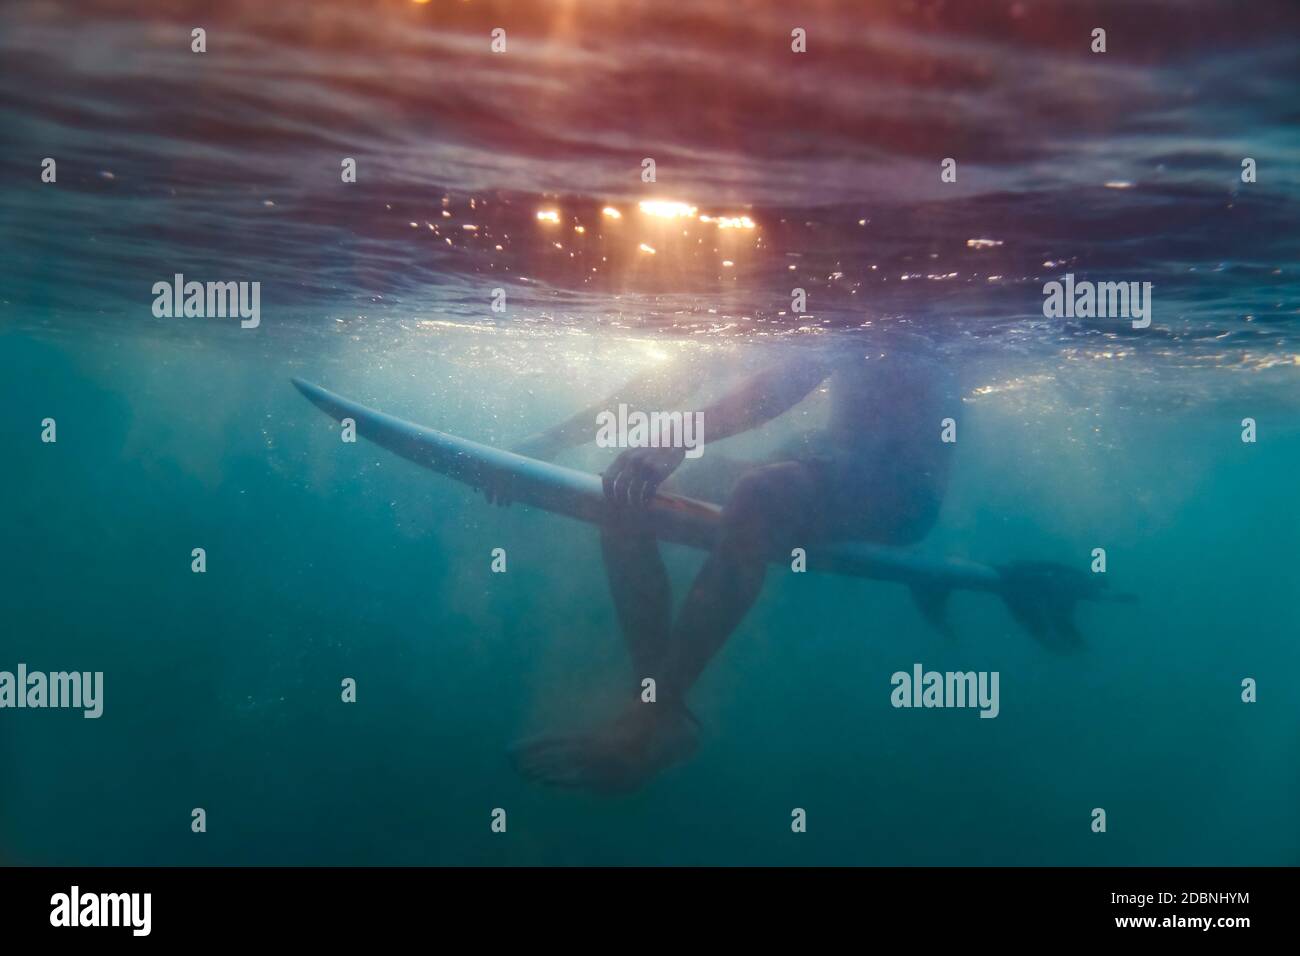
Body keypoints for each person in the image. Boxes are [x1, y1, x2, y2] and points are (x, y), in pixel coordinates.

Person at [491, 338, 960, 792]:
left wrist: (675, 437)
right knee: (631, 485)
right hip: (829, 456)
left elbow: (790, 379)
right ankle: (655, 705)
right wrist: (551, 440)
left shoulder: (865, 281)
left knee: (760, 495)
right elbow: (684, 372)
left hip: (905, 489)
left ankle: (653, 715)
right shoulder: (786, 284)